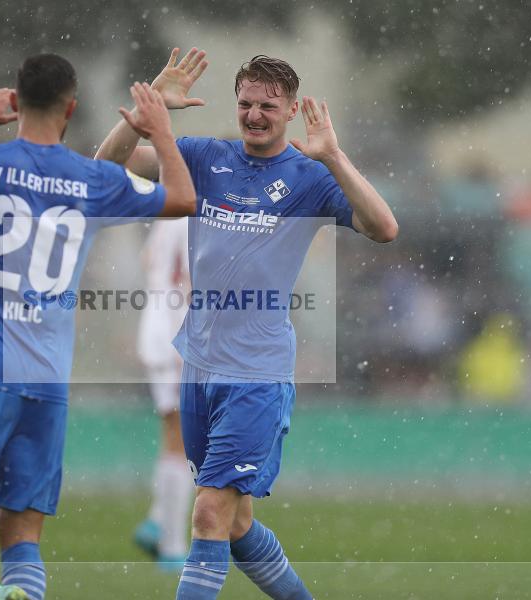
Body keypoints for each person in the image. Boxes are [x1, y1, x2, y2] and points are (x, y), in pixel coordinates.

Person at [97, 48, 398, 599]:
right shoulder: (203, 156)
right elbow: (106, 166)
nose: (255, 114)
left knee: (209, 513)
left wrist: (334, 157)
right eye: (246, 104)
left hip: (256, 375)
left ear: (289, 112)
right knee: (235, 527)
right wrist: (147, 115)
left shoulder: (308, 177)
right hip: (199, 366)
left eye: (267, 106)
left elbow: (384, 227)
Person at [0, 54, 195, 600]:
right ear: (72, 108)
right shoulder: (92, 179)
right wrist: (159, 128)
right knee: (22, 534)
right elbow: (182, 199)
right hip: (47, 381)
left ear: (14, 101)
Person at [134, 216, 192, 569]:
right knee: (184, 439)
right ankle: (171, 546)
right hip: (178, 331)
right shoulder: (194, 215)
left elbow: (149, 260)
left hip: (158, 328)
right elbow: (189, 281)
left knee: (176, 434)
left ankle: (158, 519)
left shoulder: (171, 211)